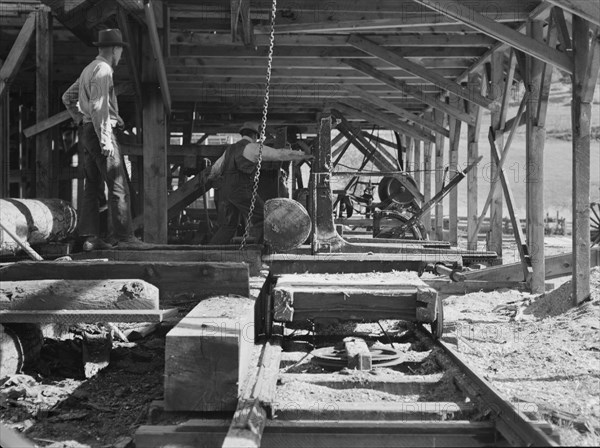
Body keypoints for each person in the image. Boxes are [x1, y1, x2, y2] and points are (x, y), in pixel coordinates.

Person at [62, 29, 144, 251]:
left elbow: (68, 97)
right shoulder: (104, 69)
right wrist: (106, 140)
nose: (121, 56)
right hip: (100, 133)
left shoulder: (89, 69)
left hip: (89, 132)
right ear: (115, 49)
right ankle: (124, 238)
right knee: (118, 186)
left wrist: (81, 119)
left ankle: (90, 238)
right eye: (120, 51)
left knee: (92, 186)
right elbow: (99, 106)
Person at [206, 122, 312, 245]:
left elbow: (215, 170)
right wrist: (305, 155)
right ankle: (260, 250)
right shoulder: (252, 147)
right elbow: (279, 154)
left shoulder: (229, 150)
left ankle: (210, 251)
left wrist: (212, 180)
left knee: (229, 227)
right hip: (241, 190)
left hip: (226, 191)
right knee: (264, 218)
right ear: (255, 135)